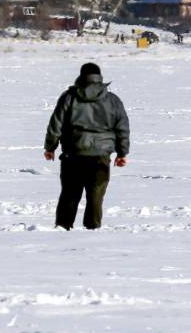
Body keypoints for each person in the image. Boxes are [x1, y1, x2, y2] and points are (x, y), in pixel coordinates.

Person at [44, 62, 130, 230]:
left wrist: (50, 147)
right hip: (100, 155)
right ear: (99, 77)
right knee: (96, 195)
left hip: (73, 152)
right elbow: (122, 128)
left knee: (69, 193)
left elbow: (56, 125)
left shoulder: (69, 97)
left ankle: (63, 227)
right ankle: (92, 229)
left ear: (81, 76)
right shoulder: (113, 100)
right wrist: (122, 153)